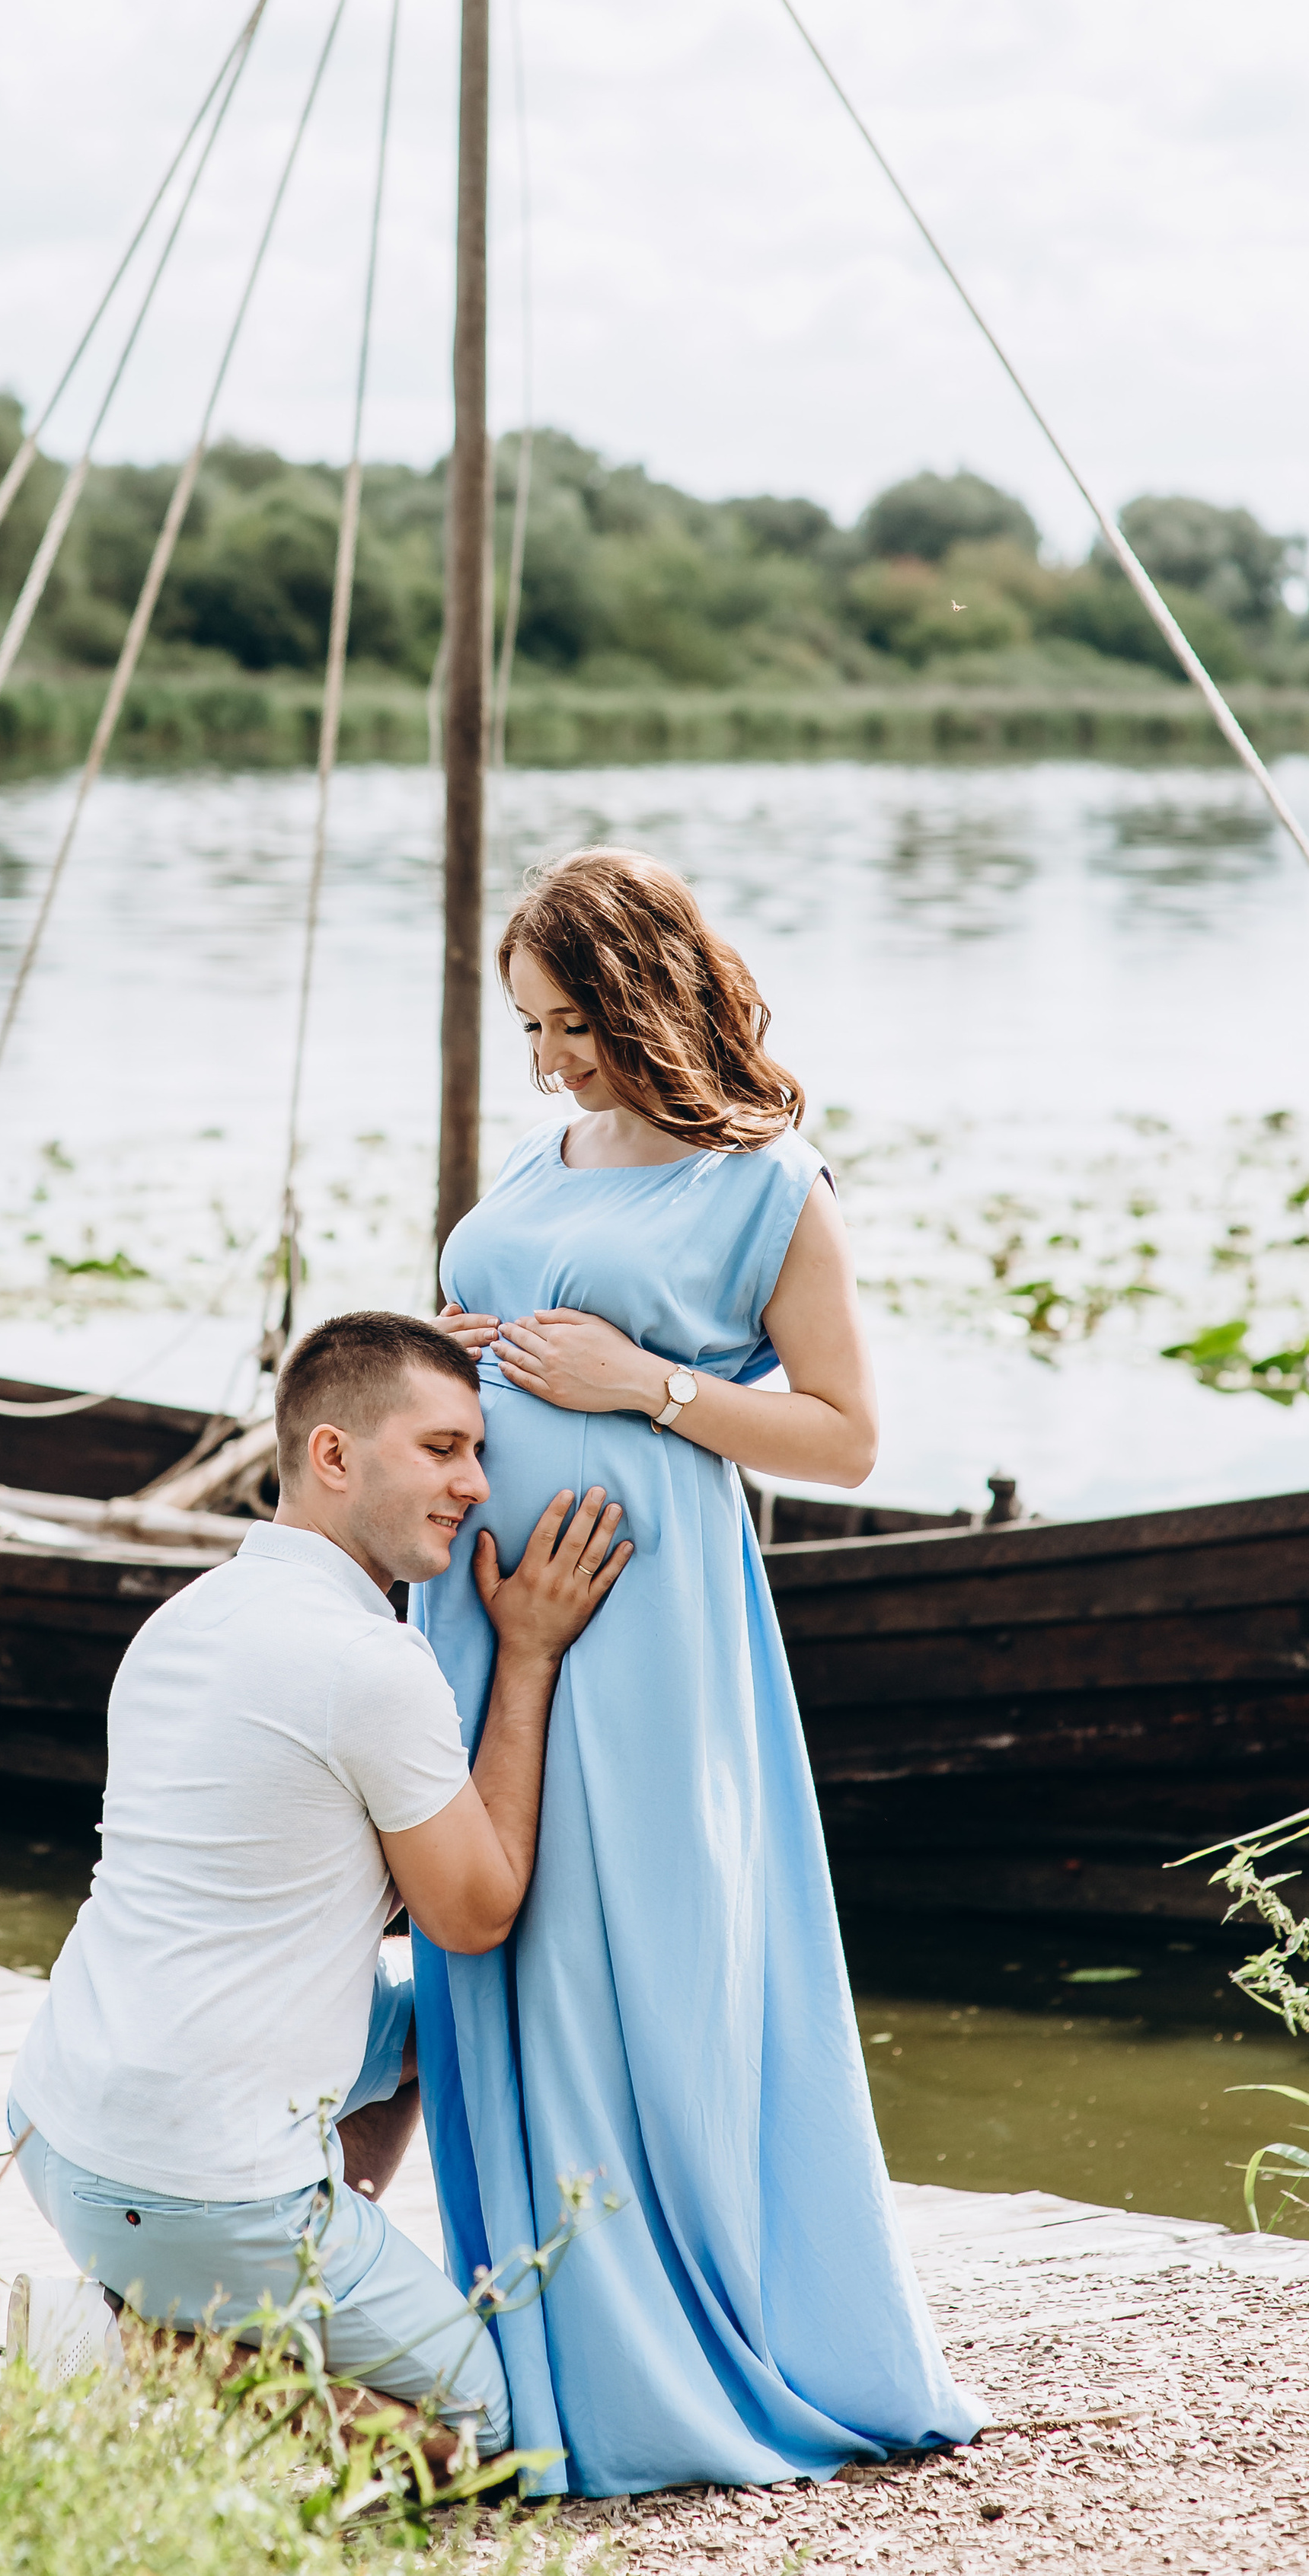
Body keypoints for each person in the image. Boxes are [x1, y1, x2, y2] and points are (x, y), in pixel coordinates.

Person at [417, 846, 982, 2498]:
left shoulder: (768, 1185)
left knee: (633, 1955)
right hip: (488, 1605)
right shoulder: (547, 1153)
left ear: (639, 991)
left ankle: (668, 2360)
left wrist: (643, 1381)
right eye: (526, 1030)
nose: (547, 1063)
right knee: (497, 1942)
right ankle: (531, 2336)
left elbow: (844, 1437)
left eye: (568, 1025)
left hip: (645, 1626)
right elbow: (519, 1333)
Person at [7, 1308, 633, 2446]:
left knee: (412, 2022)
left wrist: (398, 1361)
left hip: (59, 2126)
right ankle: (130, 2350)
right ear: (335, 1455)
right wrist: (530, 1656)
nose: (478, 1484)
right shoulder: (365, 1663)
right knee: (480, 2429)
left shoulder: (188, 1618)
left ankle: (263, 2285)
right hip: (199, 2184)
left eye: (477, 1451)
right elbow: (475, 1910)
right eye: (444, 1449)